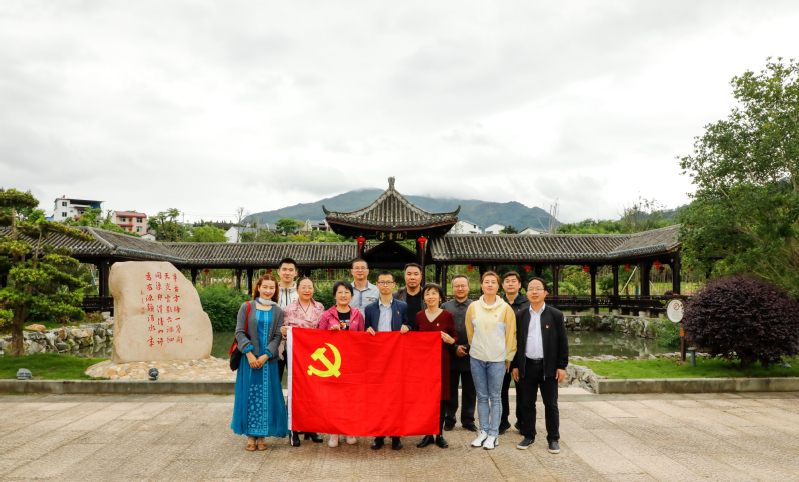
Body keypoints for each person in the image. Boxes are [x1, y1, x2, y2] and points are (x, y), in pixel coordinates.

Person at [231, 274, 288, 451]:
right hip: (248, 361)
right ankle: (250, 435)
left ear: (275, 290)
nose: (268, 291)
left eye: (272, 288)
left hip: (268, 361)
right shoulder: (247, 306)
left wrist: (266, 355)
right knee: (249, 396)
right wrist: (249, 354)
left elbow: (278, 336)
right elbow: (239, 332)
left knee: (267, 397)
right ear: (258, 287)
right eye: (265, 287)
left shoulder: (278, 311)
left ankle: (262, 435)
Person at [512, 277, 568, 454]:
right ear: (526, 293)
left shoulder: (555, 315)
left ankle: (553, 438)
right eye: (531, 289)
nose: (534, 292)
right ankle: (529, 435)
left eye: (538, 288)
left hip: (548, 367)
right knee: (527, 404)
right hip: (527, 365)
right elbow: (516, 342)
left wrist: (561, 366)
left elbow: (562, 342)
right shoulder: (520, 315)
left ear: (545, 292)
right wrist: (515, 365)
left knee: (551, 404)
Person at [465, 271, 517, 450]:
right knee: (481, 396)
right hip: (477, 358)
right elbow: (470, 333)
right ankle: (483, 431)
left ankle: (493, 434)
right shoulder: (473, 307)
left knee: (495, 397)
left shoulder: (505, 309)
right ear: (481, 285)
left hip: (497, 359)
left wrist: (508, 357)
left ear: (497, 286)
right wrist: (476, 348)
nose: (489, 285)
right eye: (486, 282)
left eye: (493, 282)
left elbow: (511, 335)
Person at [364, 270, 411, 451]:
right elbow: (366, 329)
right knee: (378, 397)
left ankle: (396, 435)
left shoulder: (402, 306)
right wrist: (367, 331)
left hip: (396, 358)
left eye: (388, 282)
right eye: (382, 282)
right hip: (376, 358)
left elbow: (409, 324)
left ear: (394, 285)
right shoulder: (370, 309)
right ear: (377, 285)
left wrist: (407, 327)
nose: (385, 285)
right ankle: (379, 435)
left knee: (396, 396)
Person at [318, 281, 365, 447]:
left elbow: (362, 339)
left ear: (351, 295)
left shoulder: (358, 315)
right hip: (333, 363)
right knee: (334, 398)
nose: (343, 295)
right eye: (340, 292)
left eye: (346, 292)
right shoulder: (327, 315)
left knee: (351, 397)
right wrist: (330, 334)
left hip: (352, 362)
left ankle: (350, 430)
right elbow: (319, 340)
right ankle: (334, 432)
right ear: (334, 295)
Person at [280, 276, 325, 446]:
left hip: (315, 356)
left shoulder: (319, 307)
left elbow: (323, 330)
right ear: (297, 289)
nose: (307, 290)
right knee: (295, 391)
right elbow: (284, 334)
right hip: (296, 356)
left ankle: (311, 428)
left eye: (310, 287)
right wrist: (284, 331)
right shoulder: (288, 309)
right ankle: (293, 429)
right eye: (303, 287)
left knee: (313, 392)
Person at [415, 283, 457, 449]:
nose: (430, 297)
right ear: (424, 298)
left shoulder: (447, 315)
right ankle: (427, 434)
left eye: (434, 293)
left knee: (441, 397)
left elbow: (454, 336)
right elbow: (415, 338)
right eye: (427, 294)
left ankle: (439, 434)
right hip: (424, 364)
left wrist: (451, 340)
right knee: (426, 398)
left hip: (442, 361)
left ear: (440, 297)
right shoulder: (419, 316)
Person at [441, 275, 477, 432]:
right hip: (450, 353)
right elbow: (442, 330)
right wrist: (454, 347)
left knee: (470, 390)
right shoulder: (445, 306)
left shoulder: (476, 306)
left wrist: (467, 348)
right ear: (452, 288)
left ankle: (468, 420)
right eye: (457, 286)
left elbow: (480, 330)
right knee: (450, 389)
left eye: (463, 285)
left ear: (468, 287)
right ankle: (449, 419)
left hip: (472, 354)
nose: (460, 288)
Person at [500, 271, 530, 434]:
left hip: (522, 353)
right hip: (501, 352)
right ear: (502, 285)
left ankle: (522, 420)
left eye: (513, 281)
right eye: (507, 281)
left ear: (519, 285)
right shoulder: (498, 303)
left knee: (523, 389)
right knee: (501, 389)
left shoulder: (527, 304)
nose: (510, 284)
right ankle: (502, 420)